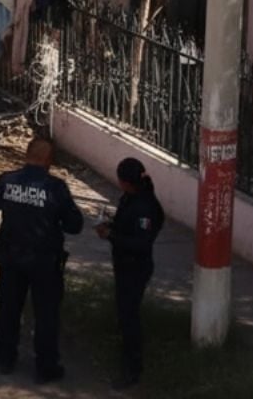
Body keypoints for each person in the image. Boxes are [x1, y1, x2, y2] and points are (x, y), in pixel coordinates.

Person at [0, 136, 84, 384]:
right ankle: (46, 367)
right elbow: (75, 225)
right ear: (48, 160)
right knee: (46, 315)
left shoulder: (7, 180)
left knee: (9, 309)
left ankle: (5, 360)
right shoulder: (55, 188)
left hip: (11, 258)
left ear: (26, 154)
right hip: (44, 263)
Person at [96, 157, 165, 391]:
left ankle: (132, 369)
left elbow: (141, 243)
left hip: (135, 268)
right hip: (125, 265)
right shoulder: (131, 198)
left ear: (126, 182)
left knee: (129, 318)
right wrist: (111, 225)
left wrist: (111, 236)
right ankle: (126, 356)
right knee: (124, 315)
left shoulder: (145, 207)